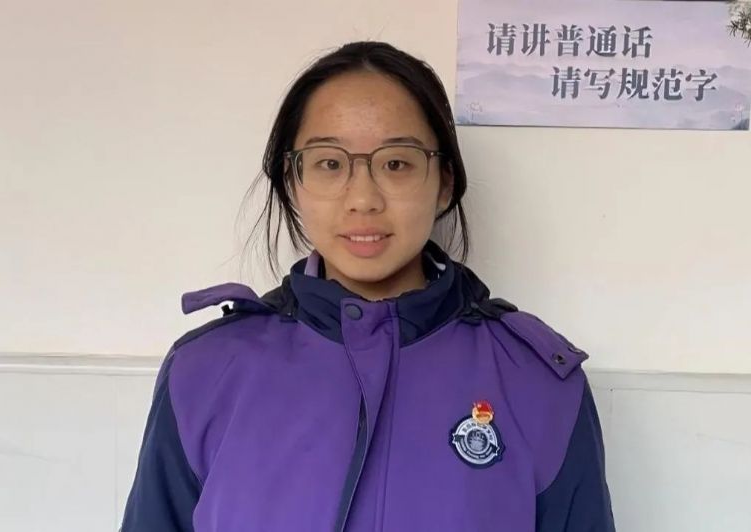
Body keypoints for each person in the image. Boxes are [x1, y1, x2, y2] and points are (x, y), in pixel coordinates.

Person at [120, 40, 616, 532]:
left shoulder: (537, 381)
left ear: (444, 181)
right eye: (330, 163)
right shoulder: (204, 372)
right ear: (292, 182)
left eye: (396, 163)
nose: (362, 198)